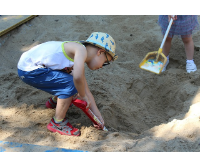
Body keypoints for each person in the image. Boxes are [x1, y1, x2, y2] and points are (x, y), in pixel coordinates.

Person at [17, 32, 118, 136]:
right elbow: (78, 79)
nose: (102, 66)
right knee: (71, 83)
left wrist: (98, 117)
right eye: (105, 62)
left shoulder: (77, 55)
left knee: (72, 82)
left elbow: (85, 89)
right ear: (100, 52)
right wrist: (82, 96)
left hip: (29, 68)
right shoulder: (80, 50)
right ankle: (57, 123)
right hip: (29, 69)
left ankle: (54, 102)